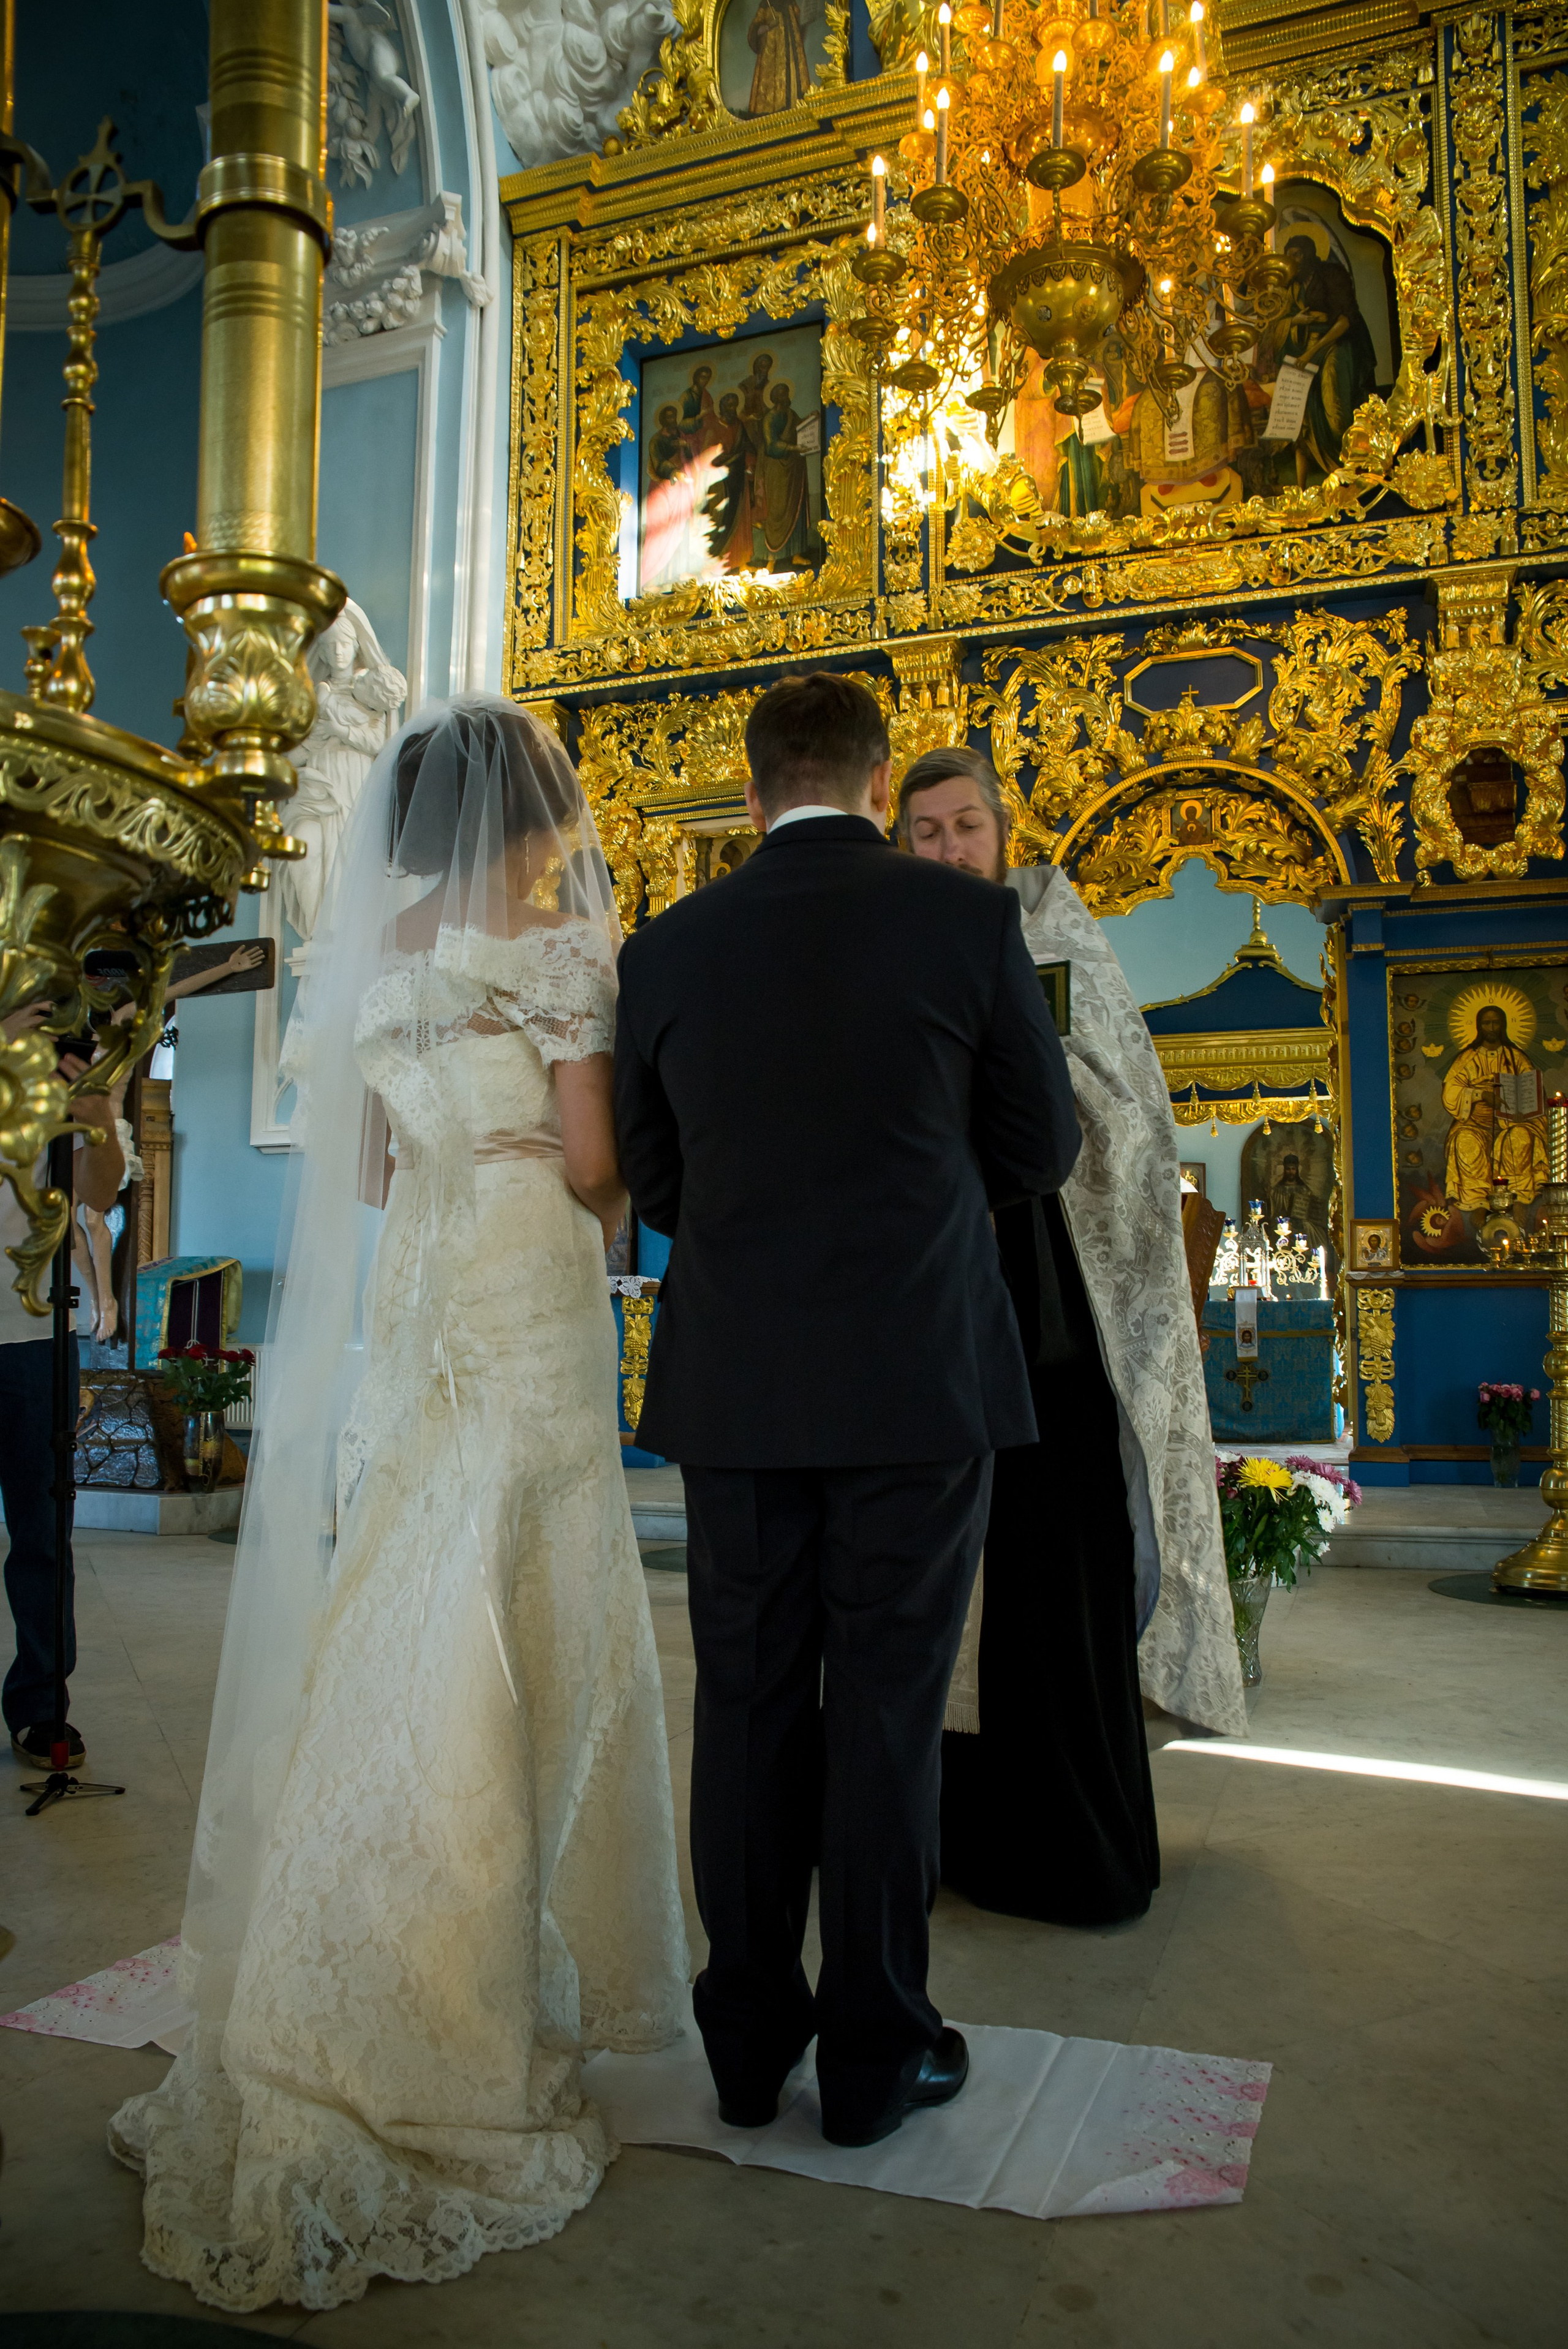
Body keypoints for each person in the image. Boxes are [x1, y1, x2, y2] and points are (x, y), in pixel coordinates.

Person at [109, 696, 688, 2312]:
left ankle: (344, 1933)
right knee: (534, 1588)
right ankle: (466, 1977)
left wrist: (459, 1138)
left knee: (424, 1568)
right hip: (530, 1271)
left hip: (432, 1273)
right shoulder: (562, 945)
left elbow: (364, 1173)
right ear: (523, 816)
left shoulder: (376, 956)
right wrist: (634, 1163)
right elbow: (588, 1161)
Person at [614, 673, 1079, 2147]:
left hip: (738, 1380)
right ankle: (876, 2056)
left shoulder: (667, 947)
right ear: (880, 785)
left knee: (745, 1698)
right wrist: (918, 1213)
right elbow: (1040, 1140)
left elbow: (656, 1175)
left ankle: (746, 2043)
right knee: (883, 1707)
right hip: (914, 1373)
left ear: (750, 797)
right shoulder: (961, 921)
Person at [899, 748, 1245, 1928]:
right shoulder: (890, 946)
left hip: (1054, 1318)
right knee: (941, 1600)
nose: (949, 851)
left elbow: (1129, 1119)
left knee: (1050, 1587)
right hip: (936, 1318)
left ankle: (1074, 1851)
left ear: (1005, 835)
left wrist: (1015, 1073)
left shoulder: (1054, 939)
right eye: (927, 834)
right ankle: (954, 1840)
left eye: (966, 828)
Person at [1, 1011, 126, 1770]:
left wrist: (99, 1117)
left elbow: (99, 1196)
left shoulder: (61, 1071)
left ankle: (41, 1706)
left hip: (33, 1335)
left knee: (44, 1536)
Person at [1442, 1002, 1549, 1207]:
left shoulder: (1516, 1057)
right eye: (1487, 1023)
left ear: (1504, 1025)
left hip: (1512, 1122)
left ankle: (1519, 1200)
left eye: (1496, 1023)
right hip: (1475, 1123)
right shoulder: (1468, 1058)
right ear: (1479, 1026)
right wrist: (1480, 1094)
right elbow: (1451, 1090)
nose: (1491, 1028)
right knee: (1465, 1141)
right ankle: (1477, 1203)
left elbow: (1531, 1090)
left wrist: (1523, 1112)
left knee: (1520, 1138)